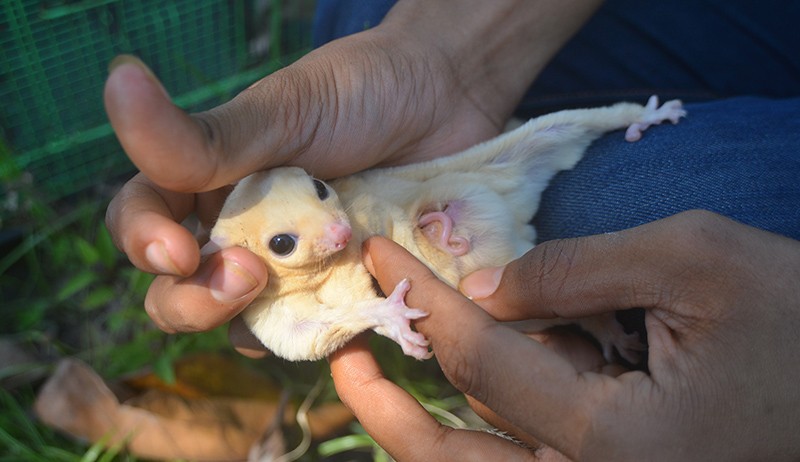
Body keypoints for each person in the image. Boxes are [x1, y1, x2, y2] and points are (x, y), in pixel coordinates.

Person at [104, 1, 800, 459]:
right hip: (463, 235)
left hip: (470, 206)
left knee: (593, 209)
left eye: (319, 192)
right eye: (288, 241)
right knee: (360, 16)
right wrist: (442, 54)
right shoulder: (274, 287)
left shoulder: (340, 211)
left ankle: (627, 123)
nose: (332, 228)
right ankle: (600, 325)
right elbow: (298, 333)